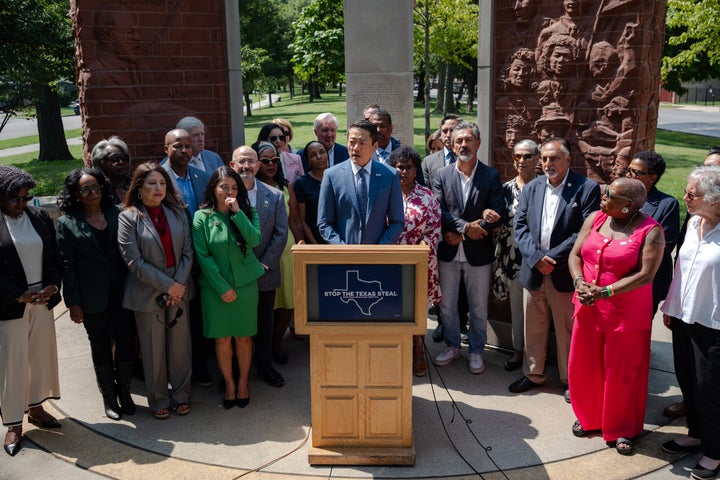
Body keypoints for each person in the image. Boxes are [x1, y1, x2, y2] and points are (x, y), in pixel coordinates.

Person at [568, 178, 664, 456]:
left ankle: (621, 427)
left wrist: (605, 291)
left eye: (609, 195)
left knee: (622, 371)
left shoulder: (651, 232)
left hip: (625, 313)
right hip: (587, 304)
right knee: (585, 364)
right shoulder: (596, 218)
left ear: (626, 207)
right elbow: (575, 255)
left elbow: (646, 275)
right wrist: (579, 282)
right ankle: (589, 418)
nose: (602, 197)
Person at [509, 137, 601, 402]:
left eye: (554, 158)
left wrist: (551, 257)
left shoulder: (586, 189)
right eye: (545, 158)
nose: (548, 163)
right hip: (534, 270)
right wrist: (536, 257)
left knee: (566, 329)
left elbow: (584, 231)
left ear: (568, 160)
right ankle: (534, 373)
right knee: (533, 327)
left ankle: (569, 379)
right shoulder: (532, 188)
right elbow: (521, 226)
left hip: (562, 272)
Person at [56, 168, 136, 421]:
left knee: (126, 342)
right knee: (100, 345)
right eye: (86, 189)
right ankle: (109, 397)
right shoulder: (67, 223)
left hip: (122, 292)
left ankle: (125, 392)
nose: (93, 193)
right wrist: (74, 303)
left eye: (97, 187)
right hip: (91, 297)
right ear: (76, 194)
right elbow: (66, 266)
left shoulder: (118, 213)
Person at [118, 162, 194, 419]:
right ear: (139, 188)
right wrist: (168, 285)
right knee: (153, 350)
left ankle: (182, 395)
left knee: (181, 347)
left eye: (162, 183)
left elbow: (188, 252)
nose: (158, 188)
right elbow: (133, 261)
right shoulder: (127, 217)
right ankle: (159, 398)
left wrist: (178, 287)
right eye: (151, 183)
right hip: (147, 292)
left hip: (179, 290)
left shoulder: (178, 212)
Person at [660, 166, 720, 480]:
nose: (685, 198)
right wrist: (671, 305)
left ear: (715, 199)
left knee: (710, 388)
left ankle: (714, 450)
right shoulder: (694, 221)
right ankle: (696, 433)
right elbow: (680, 267)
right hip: (685, 315)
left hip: (714, 323)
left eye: (692, 194)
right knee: (687, 379)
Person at [431, 122, 506, 374]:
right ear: (452, 146)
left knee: (478, 307)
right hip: (448, 252)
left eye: (469, 140)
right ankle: (453, 346)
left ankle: (476, 350)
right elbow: (438, 211)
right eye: (459, 141)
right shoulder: (441, 175)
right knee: (448, 305)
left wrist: (463, 235)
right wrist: (466, 227)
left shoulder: (491, 176)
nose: (464, 144)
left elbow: (498, 212)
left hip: (477, 252)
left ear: (478, 144)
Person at [0, 166, 61, 457]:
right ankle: (13, 423)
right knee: (13, 364)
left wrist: (52, 285)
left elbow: (54, 256)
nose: (22, 204)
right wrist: (18, 294)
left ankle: (36, 407)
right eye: (15, 199)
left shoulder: (38, 217)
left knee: (39, 356)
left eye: (26, 198)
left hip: (40, 301)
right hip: (10, 305)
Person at [192, 167, 264, 409]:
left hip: (245, 286)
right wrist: (221, 287)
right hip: (215, 289)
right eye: (224, 187)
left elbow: (254, 240)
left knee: (244, 338)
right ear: (214, 188)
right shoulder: (201, 217)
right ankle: (229, 384)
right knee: (222, 340)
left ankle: (243, 383)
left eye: (234, 188)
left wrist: (237, 213)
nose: (229, 192)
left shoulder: (248, 212)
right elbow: (202, 256)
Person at [229, 146, 288, 388]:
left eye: (251, 162)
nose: (246, 166)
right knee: (237, 325)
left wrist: (263, 264)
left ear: (258, 165)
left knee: (264, 323)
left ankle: (264, 365)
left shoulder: (274, 196)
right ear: (232, 165)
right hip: (235, 274)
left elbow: (280, 233)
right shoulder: (225, 194)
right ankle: (234, 371)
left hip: (264, 272)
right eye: (241, 162)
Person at [160, 128, 212, 387]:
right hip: (172, 261)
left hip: (201, 256)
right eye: (177, 146)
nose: (183, 151)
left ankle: (200, 367)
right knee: (174, 320)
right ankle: (175, 373)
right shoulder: (158, 179)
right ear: (166, 148)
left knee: (199, 316)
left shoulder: (201, 177)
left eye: (187, 147)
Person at [388, 146, 441, 377]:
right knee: (391, 309)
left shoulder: (428, 196)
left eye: (408, 167)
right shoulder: (384, 194)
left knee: (417, 310)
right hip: (389, 264)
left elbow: (435, 230)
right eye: (399, 167)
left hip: (420, 263)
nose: (403, 171)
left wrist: (418, 251)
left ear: (416, 169)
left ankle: (419, 351)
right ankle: (395, 352)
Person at [252, 141, 304, 365]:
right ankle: (259, 347)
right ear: (256, 163)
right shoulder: (248, 188)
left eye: (275, 160)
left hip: (285, 251)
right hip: (261, 253)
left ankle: (276, 344)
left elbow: (294, 221)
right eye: (265, 161)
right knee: (263, 304)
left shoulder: (285, 187)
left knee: (286, 302)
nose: (271, 165)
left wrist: (302, 244)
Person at [317, 119, 404, 245]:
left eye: (362, 143)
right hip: (344, 257)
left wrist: (379, 249)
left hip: (378, 256)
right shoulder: (331, 176)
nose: (355, 148)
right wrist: (343, 249)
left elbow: (397, 222)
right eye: (352, 142)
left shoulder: (389, 175)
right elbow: (324, 223)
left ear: (375, 146)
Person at [492, 139, 538, 371]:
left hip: (537, 260)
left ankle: (535, 356)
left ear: (537, 159)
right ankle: (518, 350)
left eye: (527, 156)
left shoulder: (544, 187)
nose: (521, 161)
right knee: (517, 310)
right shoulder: (506, 190)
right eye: (517, 156)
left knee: (537, 312)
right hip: (511, 258)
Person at [625, 151, 680, 314]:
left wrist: (623, 256)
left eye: (636, 172)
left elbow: (663, 247)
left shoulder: (666, 205)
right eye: (628, 170)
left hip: (645, 283)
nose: (629, 175)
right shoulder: (616, 198)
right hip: (613, 279)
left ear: (652, 177)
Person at [295, 141, 329, 244]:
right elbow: (302, 220)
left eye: (322, 152)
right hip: (315, 241)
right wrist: (314, 244)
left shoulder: (337, 177)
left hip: (338, 241)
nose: (319, 157)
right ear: (308, 160)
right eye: (313, 155)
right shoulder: (302, 183)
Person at [421, 115, 462, 188]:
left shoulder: (469, 159)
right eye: (445, 131)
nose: (448, 135)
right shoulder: (428, 162)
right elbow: (425, 191)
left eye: (452, 130)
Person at [90, 136, 132, 204]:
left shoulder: (136, 185)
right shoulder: (97, 190)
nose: (121, 162)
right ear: (100, 163)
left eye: (124, 158)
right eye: (114, 158)